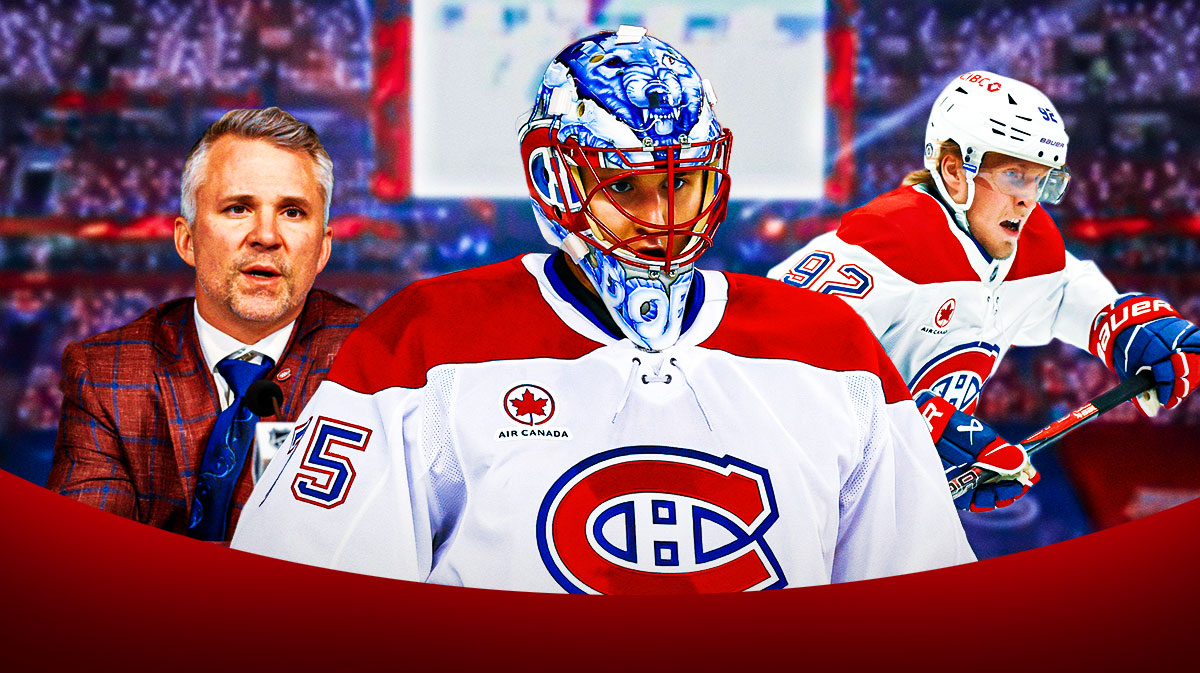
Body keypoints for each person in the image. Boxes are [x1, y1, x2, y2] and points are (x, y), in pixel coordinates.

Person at [231, 27, 973, 592]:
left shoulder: (831, 348)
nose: (662, 216)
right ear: (555, 178)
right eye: (624, 186)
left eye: (682, 182)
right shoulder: (425, 339)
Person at [768, 72, 1200, 512]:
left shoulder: (1024, 243)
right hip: (799, 504)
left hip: (890, 511)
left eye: (1040, 179)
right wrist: (898, 426)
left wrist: (1129, 327)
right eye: (1014, 174)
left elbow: (1064, 290)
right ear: (954, 172)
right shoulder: (890, 241)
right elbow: (765, 365)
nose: (1029, 200)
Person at [50, 108, 365, 542]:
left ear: (323, 249)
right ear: (187, 240)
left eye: (292, 212)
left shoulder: (379, 363)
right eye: (238, 208)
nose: (267, 235)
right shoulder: (104, 375)